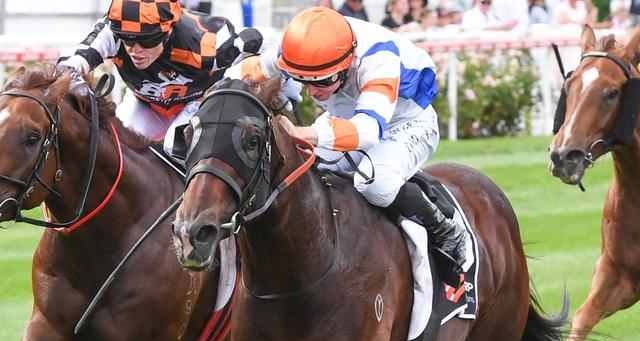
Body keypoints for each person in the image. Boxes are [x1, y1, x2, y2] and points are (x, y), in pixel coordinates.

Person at [248, 6, 468, 287]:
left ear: (346, 64)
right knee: (299, 168)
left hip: (406, 123)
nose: (313, 91)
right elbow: (249, 71)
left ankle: (445, 230)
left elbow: (367, 131)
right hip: (348, 117)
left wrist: (304, 133)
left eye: (323, 81)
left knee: (375, 183)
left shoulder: (378, 58)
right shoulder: (301, 47)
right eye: (304, 81)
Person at [58, 0, 266, 147]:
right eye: (128, 39)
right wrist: (74, 83)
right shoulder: (112, 31)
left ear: (169, 30)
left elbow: (267, 40)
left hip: (197, 101)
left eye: (147, 40)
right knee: (117, 146)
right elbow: (71, 62)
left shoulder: (209, 43)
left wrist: (280, 70)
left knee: (174, 146)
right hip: (146, 103)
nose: (135, 50)